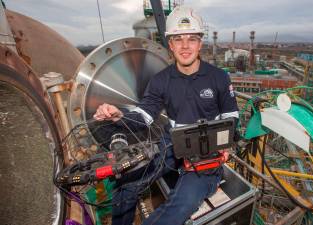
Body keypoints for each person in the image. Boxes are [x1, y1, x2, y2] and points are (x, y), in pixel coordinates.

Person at [93, 6, 239, 225]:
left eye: (191, 39)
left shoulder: (218, 78)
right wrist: (118, 116)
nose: (185, 46)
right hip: (171, 144)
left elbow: (232, 116)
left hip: (205, 151)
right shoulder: (162, 80)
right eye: (178, 39)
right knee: (127, 184)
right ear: (170, 45)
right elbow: (144, 115)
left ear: (200, 43)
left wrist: (222, 143)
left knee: (179, 206)